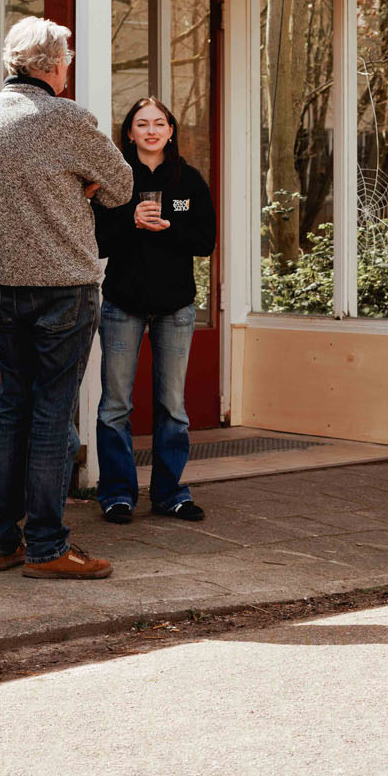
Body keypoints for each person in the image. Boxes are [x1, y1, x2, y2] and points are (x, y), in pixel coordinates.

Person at [0, 16, 137, 579]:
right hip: (64, 284)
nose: (68, 70)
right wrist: (81, 186)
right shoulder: (67, 117)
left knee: (12, 410)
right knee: (51, 415)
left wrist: (67, 184)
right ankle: (46, 546)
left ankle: (0, 542)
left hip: (6, 285)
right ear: (54, 66)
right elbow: (121, 187)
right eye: (67, 61)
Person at [93, 96, 217, 525]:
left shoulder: (189, 179)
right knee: (115, 406)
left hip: (175, 306)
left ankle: (169, 493)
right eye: (142, 123)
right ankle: (117, 494)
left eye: (159, 123)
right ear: (129, 132)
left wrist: (167, 227)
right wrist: (132, 221)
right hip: (122, 304)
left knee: (173, 407)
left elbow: (205, 242)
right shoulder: (113, 180)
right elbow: (96, 242)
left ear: (170, 131)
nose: (151, 130)